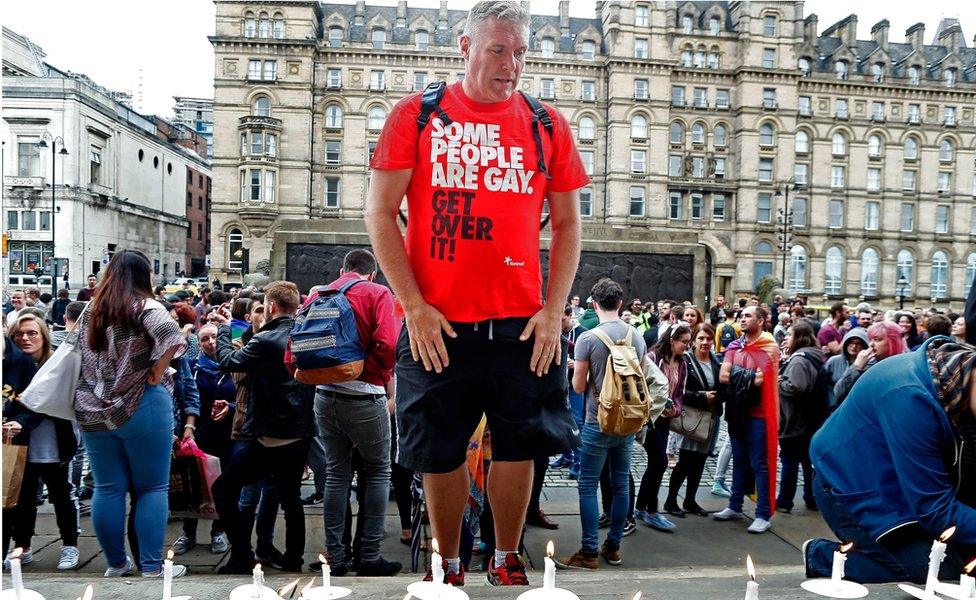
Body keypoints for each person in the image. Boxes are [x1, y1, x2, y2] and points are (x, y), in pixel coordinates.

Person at [365, 0, 586, 587]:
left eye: (519, 52)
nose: (511, 64)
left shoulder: (547, 125)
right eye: (498, 49)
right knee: (438, 448)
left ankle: (506, 553)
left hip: (521, 324)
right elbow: (381, 213)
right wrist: (413, 305)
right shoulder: (415, 116)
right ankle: (451, 559)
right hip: (438, 324)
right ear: (465, 47)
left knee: (520, 444)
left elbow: (568, 225)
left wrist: (554, 310)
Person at [804, 336, 976, 583]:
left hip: (901, 482)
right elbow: (935, 509)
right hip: (845, 484)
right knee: (939, 572)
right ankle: (821, 556)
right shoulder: (909, 398)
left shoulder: (956, 374)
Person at [74, 250, 188, 578]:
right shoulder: (146, 306)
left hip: (93, 407)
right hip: (142, 403)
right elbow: (171, 335)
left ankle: (116, 564)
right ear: (143, 275)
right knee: (152, 487)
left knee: (108, 488)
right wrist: (159, 369)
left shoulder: (91, 311)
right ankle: (152, 566)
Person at [210, 281, 314, 574]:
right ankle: (293, 560)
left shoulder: (266, 341)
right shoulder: (305, 334)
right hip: (299, 433)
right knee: (291, 498)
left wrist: (224, 328)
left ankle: (242, 555)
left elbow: (228, 361)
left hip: (268, 435)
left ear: (270, 307)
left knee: (224, 490)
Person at [312, 249, 402, 576]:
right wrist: (376, 371)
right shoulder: (378, 293)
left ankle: (336, 559)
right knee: (378, 472)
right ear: (372, 274)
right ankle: (368, 557)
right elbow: (388, 344)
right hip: (365, 395)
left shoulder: (320, 293)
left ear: (342, 269)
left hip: (324, 394)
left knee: (336, 474)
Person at [555, 278, 648, 569]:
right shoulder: (637, 336)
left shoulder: (588, 338)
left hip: (598, 420)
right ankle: (615, 547)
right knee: (621, 484)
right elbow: (641, 381)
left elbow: (579, 386)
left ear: (594, 304)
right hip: (628, 422)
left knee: (587, 485)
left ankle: (588, 552)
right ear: (621, 304)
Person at [3, 316, 80, 571]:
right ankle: (22, 546)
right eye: (20, 334)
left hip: (55, 441)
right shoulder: (12, 365)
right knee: (22, 498)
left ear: (44, 336)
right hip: (21, 443)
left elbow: (57, 402)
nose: (25, 338)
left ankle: (69, 545)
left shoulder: (57, 362)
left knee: (62, 495)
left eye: (32, 333)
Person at [713, 306, 780, 534]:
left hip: (758, 414)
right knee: (739, 459)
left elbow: (763, 379)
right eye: (741, 316)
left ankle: (763, 514)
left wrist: (739, 375)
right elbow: (723, 376)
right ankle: (735, 505)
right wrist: (749, 377)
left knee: (759, 463)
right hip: (737, 411)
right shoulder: (735, 345)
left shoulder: (769, 347)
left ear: (761, 321)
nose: (742, 319)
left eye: (748, 316)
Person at [634, 323, 690, 531]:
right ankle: (651, 511)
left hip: (665, 419)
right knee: (660, 461)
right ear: (672, 340)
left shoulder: (682, 363)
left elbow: (679, 393)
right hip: (650, 418)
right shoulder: (652, 358)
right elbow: (642, 386)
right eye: (683, 342)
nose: (686, 346)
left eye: (688, 342)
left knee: (656, 462)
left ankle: (641, 507)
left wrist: (675, 408)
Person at [664, 323, 720, 517]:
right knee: (686, 460)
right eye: (701, 338)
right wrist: (701, 396)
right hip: (691, 417)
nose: (705, 342)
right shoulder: (685, 361)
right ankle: (671, 501)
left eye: (709, 338)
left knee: (700, 461)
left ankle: (690, 500)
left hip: (710, 418)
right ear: (694, 341)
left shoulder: (716, 361)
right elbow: (678, 392)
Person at [775, 320, 825, 514]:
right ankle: (812, 498)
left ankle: (785, 501)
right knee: (807, 462)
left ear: (799, 338)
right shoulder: (814, 355)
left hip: (794, 419)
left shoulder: (799, 359)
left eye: (790, 334)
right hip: (808, 419)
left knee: (789, 461)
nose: (786, 338)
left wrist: (778, 381)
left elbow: (795, 386)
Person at [833, 321, 906, 406]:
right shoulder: (868, 363)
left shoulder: (904, 365)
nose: (871, 344)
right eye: (870, 339)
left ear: (893, 341)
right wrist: (856, 367)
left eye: (877, 340)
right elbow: (838, 392)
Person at [823, 328, 868, 411]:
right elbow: (831, 391)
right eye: (851, 342)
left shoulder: (868, 365)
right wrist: (855, 368)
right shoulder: (833, 361)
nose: (854, 346)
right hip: (833, 409)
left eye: (859, 343)